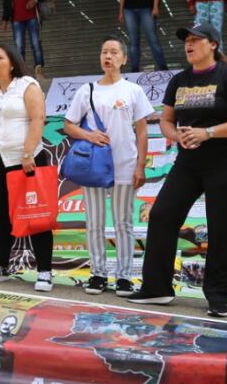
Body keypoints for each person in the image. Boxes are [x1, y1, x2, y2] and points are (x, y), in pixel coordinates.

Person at [128, 23, 227, 318]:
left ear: (213, 44)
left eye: (195, 40)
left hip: (224, 160)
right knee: (161, 215)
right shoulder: (179, 80)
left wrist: (208, 132)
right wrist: (175, 136)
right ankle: (157, 288)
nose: (189, 44)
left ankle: (218, 295)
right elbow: (165, 120)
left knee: (221, 226)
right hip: (187, 161)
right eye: (186, 40)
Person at [63, 37, 152, 297]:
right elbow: (69, 124)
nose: (108, 57)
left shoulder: (133, 91)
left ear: (124, 59)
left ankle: (124, 276)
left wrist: (140, 166)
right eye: (104, 52)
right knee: (95, 222)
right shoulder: (87, 90)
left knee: (124, 222)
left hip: (125, 165)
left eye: (114, 52)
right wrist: (89, 136)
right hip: (94, 167)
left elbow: (143, 132)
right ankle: (98, 273)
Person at [0, 45, 53, 291]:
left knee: (35, 216)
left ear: (12, 62)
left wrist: (29, 152)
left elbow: (38, 118)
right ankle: (1, 264)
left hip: (24, 160)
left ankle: (44, 271)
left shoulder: (27, 84)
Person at [1, 0, 51, 77]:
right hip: (17, 19)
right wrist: (5, 19)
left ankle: (39, 69)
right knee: (19, 46)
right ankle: (20, 72)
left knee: (36, 43)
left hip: (32, 17)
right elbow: (6, 3)